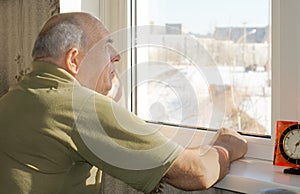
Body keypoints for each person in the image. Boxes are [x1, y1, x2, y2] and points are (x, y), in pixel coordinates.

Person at [0, 12, 247, 194]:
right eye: (106, 45)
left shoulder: (13, 98)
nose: (116, 56)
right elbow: (197, 174)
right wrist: (226, 146)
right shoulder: (79, 107)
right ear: (74, 59)